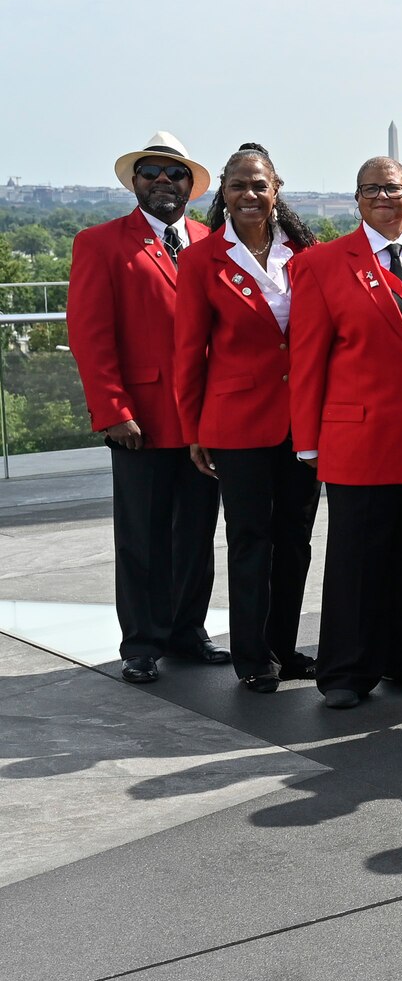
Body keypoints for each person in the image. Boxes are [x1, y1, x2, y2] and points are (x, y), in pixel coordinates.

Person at [290, 158, 402, 709]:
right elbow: (307, 358)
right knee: (356, 562)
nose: (384, 196)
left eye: (393, 188)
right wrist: (306, 440)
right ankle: (346, 671)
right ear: (357, 199)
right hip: (359, 439)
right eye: (372, 189)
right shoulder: (322, 264)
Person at [69, 131, 225, 684]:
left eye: (175, 173)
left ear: (191, 187)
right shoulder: (100, 243)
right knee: (143, 536)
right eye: (151, 172)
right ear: (134, 182)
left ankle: (187, 631)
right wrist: (112, 408)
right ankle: (140, 642)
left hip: (205, 421)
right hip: (141, 418)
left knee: (197, 532)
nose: (164, 181)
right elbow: (90, 334)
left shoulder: (212, 240)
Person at [173, 144, 321, 693]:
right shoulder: (201, 260)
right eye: (238, 185)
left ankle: (284, 643)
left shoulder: (306, 254)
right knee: (251, 539)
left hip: (301, 421)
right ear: (224, 195)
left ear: (276, 189)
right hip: (237, 425)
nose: (250, 194)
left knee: (297, 538)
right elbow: (187, 353)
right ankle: (252, 654)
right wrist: (193, 430)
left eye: (259, 184)